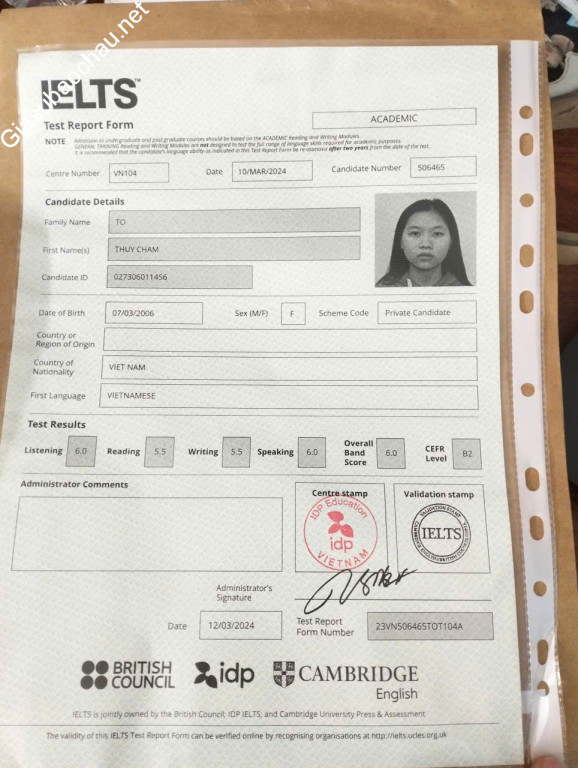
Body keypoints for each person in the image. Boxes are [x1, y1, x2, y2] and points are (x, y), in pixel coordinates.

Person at [376, 198, 472, 287]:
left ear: (451, 242)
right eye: (415, 233)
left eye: (437, 234)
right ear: (401, 241)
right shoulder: (382, 290)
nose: (425, 244)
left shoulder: (467, 292)